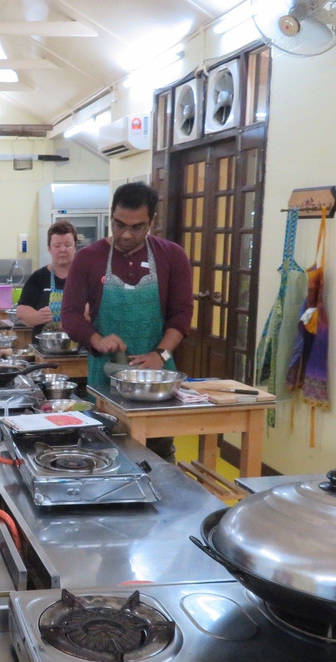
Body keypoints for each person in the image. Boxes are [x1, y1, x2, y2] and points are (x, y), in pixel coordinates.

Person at [61, 182, 193, 461]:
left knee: (158, 458)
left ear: (152, 222)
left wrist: (161, 354)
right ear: (111, 216)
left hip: (156, 383)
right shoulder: (88, 258)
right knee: (106, 455)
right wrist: (97, 339)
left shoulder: (172, 256)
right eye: (119, 225)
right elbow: (70, 315)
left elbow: (182, 314)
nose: (126, 234)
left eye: (137, 227)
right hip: (106, 379)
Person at [14, 219, 78, 337]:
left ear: (75, 247)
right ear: (49, 248)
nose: (63, 249)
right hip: (45, 349)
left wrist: (78, 319)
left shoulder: (84, 276)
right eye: (57, 245)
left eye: (68, 245)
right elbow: (21, 311)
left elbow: (95, 311)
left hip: (79, 348)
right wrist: (37, 316)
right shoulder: (38, 277)